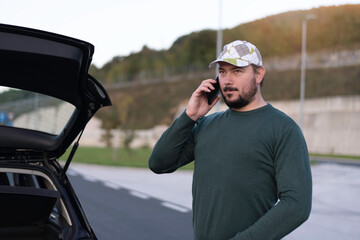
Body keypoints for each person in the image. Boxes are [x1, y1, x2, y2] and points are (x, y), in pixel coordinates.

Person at [148, 40, 312, 240]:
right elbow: (159, 163)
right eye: (222, 72)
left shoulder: (283, 129)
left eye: (237, 71)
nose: (227, 80)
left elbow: (297, 205)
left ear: (259, 75)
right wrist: (189, 115)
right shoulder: (205, 125)